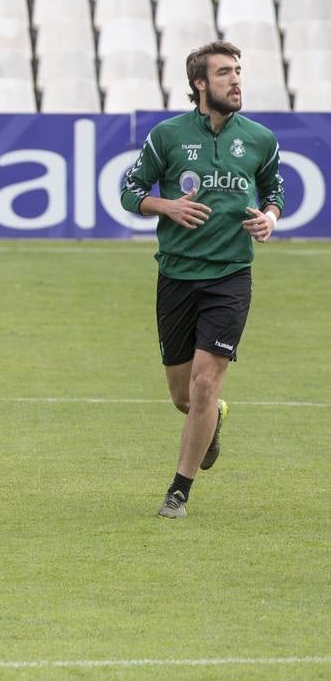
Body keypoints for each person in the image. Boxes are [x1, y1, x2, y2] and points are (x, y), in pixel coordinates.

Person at [120, 41, 284, 519]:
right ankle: (213, 421)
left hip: (230, 276)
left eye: (238, 71)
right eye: (224, 73)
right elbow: (129, 190)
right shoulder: (167, 137)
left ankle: (179, 491)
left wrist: (269, 217)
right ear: (200, 84)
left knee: (206, 384)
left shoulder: (259, 138)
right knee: (184, 396)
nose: (236, 81)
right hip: (175, 275)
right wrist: (165, 205)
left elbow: (276, 189)